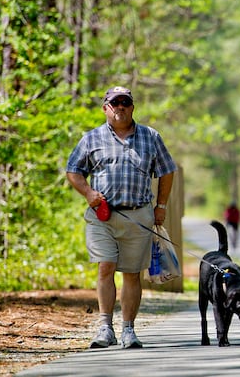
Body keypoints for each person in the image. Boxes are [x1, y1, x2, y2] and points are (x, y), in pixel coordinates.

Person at [66, 86, 177, 349]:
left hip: (138, 214)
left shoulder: (150, 137)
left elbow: (167, 171)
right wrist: (88, 193)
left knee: (131, 273)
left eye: (125, 102)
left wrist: (161, 205)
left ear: (132, 107)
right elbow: (73, 171)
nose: (120, 107)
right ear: (105, 108)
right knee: (105, 266)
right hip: (102, 216)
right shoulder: (91, 139)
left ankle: (128, 329)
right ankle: (105, 328)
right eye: (114, 103)